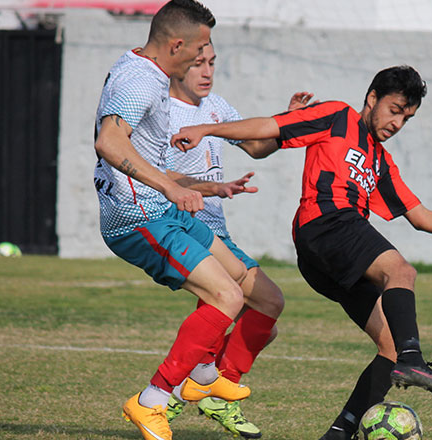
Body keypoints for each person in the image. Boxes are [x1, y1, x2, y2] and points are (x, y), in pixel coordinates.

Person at [171, 65, 432, 440]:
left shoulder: (381, 161)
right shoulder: (337, 116)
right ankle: (413, 358)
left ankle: (340, 432)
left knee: (388, 346)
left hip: (323, 257)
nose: (398, 123)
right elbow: (268, 128)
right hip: (325, 223)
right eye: (394, 109)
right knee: (401, 271)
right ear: (372, 98)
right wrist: (206, 129)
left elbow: (419, 217)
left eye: (407, 117)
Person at [92, 2, 261, 440]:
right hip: (137, 217)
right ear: (178, 44)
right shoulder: (141, 82)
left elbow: (144, 155)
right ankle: (152, 400)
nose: (206, 57)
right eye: (202, 47)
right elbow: (109, 141)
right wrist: (169, 188)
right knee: (226, 295)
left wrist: (202, 188)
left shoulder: (145, 71)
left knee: (242, 280)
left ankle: (204, 373)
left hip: (163, 209)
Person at [161, 42, 315, 439]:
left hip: (217, 232)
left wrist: (287, 121)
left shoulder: (217, 108)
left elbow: (255, 146)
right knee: (252, 306)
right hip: (184, 226)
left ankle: (195, 393)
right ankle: (171, 396)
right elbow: (155, 176)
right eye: (198, 64)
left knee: (260, 321)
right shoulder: (161, 112)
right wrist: (210, 188)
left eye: (212, 63)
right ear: (177, 65)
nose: (207, 72)